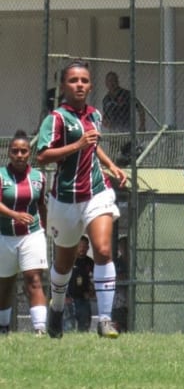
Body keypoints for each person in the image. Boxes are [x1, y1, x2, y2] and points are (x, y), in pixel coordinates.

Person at [37, 59, 127, 339]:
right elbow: (41, 155)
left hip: (96, 192)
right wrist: (76, 144)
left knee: (102, 250)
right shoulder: (56, 118)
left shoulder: (95, 114)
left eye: (85, 81)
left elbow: (94, 145)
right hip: (65, 198)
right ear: (63, 86)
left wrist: (111, 165)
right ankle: (57, 307)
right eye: (74, 80)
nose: (80, 85)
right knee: (64, 263)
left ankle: (105, 320)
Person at [0, 130, 49, 335]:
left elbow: (41, 204)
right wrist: (14, 215)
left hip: (32, 235)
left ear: (30, 153)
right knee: (5, 284)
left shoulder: (39, 177)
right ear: (9, 154)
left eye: (23, 151)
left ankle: (39, 329)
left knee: (34, 279)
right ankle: (3, 327)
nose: (19, 155)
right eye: (15, 151)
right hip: (5, 236)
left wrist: (45, 228)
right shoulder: (1, 176)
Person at [66, 236, 95, 332]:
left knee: (84, 327)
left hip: (83, 299)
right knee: (68, 328)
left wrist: (92, 292)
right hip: (69, 299)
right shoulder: (69, 260)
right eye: (79, 246)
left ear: (88, 248)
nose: (82, 249)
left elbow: (94, 279)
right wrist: (65, 296)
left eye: (84, 246)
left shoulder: (90, 262)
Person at [112, 235, 129, 332]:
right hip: (119, 300)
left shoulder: (135, 261)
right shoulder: (117, 263)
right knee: (118, 322)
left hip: (131, 299)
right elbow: (113, 277)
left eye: (125, 246)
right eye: (121, 247)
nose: (123, 249)